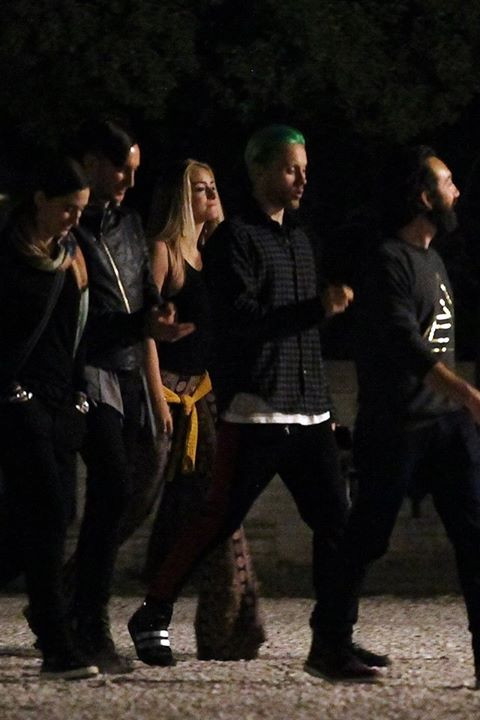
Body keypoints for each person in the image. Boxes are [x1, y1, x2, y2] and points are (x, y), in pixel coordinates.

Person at [127, 125, 378, 676]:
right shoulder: (235, 240)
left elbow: (305, 334)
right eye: (290, 168)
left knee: (339, 528)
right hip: (257, 411)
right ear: (259, 171)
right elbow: (241, 322)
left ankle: (333, 639)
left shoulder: (301, 240)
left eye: (304, 168)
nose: (302, 178)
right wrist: (317, 309)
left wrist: (326, 408)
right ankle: (153, 611)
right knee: (216, 519)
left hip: (308, 412)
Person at [309, 145, 480, 686]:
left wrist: (457, 403)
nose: (458, 191)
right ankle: (330, 643)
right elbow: (405, 344)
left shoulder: (434, 260)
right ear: (424, 197)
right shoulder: (387, 261)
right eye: (448, 182)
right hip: (396, 426)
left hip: (445, 425)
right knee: (367, 537)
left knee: (475, 536)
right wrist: (467, 393)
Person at [66, 119, 194, 674]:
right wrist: (140, 325)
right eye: (122, 168)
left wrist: (156, 323)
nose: (129, 181)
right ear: (92, 162)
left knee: (118, 494)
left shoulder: (129, 224)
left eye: (135, 170)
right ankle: (86, 621)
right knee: (109, 487)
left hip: (124, 372)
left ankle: (76, 611)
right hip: (84, 371)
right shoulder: (67, 225)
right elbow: (77, 317)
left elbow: (140, 298)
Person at [142, 158, 265, 660]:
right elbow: (144, 330)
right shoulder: (165, 251)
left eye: (214, 187)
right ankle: (67, 600)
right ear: (180, 196)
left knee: (214, 510)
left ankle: (224, 628)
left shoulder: (213, 256)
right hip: (167, 397)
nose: (210, 195)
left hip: (204, 397)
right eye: (199, 188)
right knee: (134, 505)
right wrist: (155, 397)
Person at [0, 155, 98, 679]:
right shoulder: (9, 256)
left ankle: (52, 629)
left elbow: (76, 332)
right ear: (39, 200)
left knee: (45, 521)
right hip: (17, 402)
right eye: (67, 208)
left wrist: (80, 393)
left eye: (81, 209)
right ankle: (56, 641)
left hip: (61, 401)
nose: (75, 219)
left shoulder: (70, 256)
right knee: (47, 511)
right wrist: (14, 393)